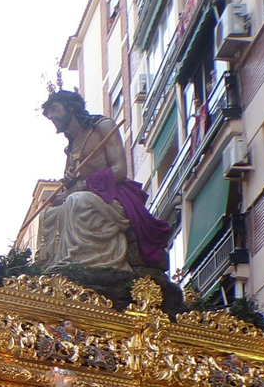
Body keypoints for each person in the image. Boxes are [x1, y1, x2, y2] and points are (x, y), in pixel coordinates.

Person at [37, 89, 173, 271]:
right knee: (48, 214)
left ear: (70, 107)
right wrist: (69, 183)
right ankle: (52, 268)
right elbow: (69, 187)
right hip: (85, 197)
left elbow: (120, 171)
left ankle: (77, 262)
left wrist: (80, 186)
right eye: (49, 114)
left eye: (54, 109)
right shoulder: (71, 147)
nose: (51, 116)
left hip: (111, 197)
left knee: (76, 201)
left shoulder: (103, 126)